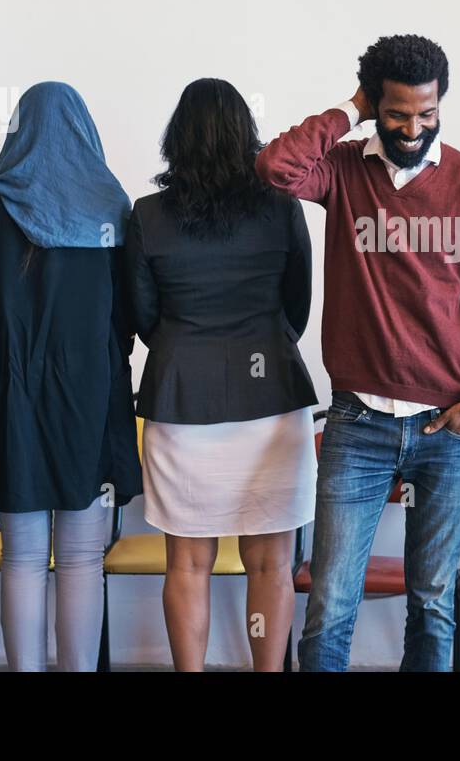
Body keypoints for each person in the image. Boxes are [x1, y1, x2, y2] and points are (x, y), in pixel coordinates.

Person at [256, 33, 460, 671]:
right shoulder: (344, 169)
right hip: (359, 422)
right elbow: (274, 167)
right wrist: (350, 108)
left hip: (448, 424)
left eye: (427, 115)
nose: (413, 127)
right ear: (378, 105)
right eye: (397, 114)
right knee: (332, 601)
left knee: (432, 601)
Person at [124, 78, 318, 671]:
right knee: (270, 565)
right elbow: (298, 307)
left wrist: (189, 350)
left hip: (182, 405)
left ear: (176, 138)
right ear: (247, 136)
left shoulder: (147, 216)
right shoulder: (282, 208)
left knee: (186, 563)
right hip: (272, 401)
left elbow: (141, 315)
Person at [0, 81, 140, 671]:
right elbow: (128, 316)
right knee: (85, 558)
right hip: (90, 391)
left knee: (22, 556)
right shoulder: (113, 206)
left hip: (11, 391)